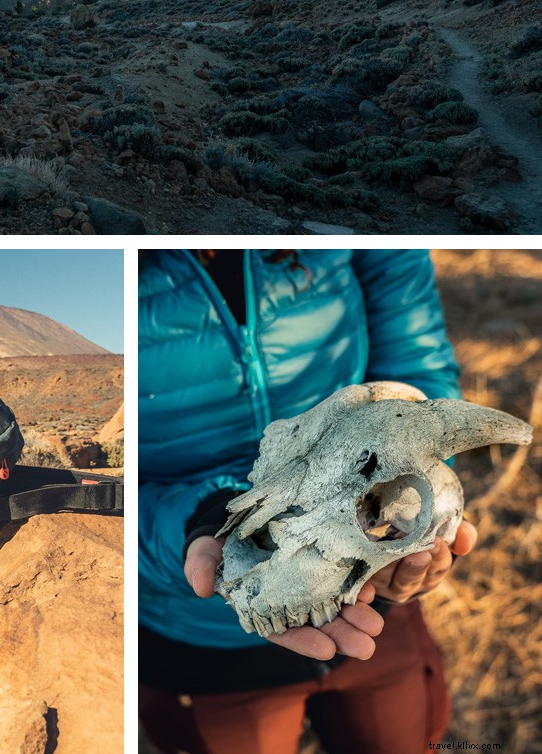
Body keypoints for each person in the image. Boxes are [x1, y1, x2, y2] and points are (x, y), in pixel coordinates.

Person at [139, 249, 473, 754]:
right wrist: (203, 519)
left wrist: (407, 515)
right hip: (206, 649)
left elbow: (418, 381)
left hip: (378, 617)